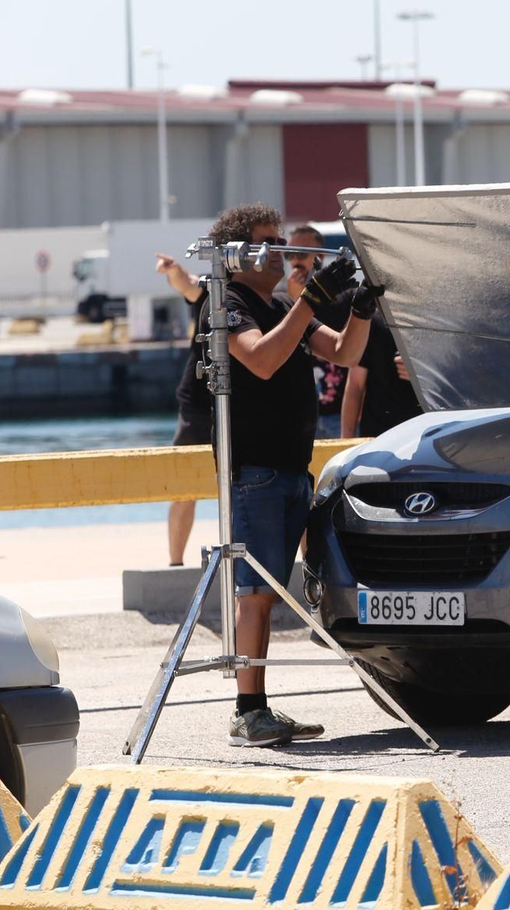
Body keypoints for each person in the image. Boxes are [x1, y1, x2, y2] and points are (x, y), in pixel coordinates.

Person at [201, 204, 372, 747]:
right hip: (254, 471)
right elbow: (261, 360)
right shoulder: (225, 305)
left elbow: (344, 351)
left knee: (274, 592)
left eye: (280, 239)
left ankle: (260, 709)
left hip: (292, 467)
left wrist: (362, 307)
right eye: (266, 241)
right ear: (238, 253)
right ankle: (248, 710)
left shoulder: (279, 303)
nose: (279, 250)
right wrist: (308, 302)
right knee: (255, 593)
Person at [157, 251, 210, 566]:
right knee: (183, 487)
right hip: (198, 405)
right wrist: (173, 269)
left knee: (244, 490)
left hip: (243, 404)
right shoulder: (215, 289)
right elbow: (187, 284)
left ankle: (247, 567)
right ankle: (175, 562)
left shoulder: (269, 297)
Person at [282, 225, 351, 439]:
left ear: (320, 256)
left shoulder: (344, 296)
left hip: (338, 414)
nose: (295, 261)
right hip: (299, 414)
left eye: (301, 253)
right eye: (289, 254)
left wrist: (301, 301)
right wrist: (295, 301)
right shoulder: (280, 298)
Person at [341, 312, 423, 439]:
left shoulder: (439, 323)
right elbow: (355, 385)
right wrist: (346, 439)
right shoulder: (372, 320)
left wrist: (423, 374)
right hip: (378, 437)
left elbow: (458, 377)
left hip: (425, 435)